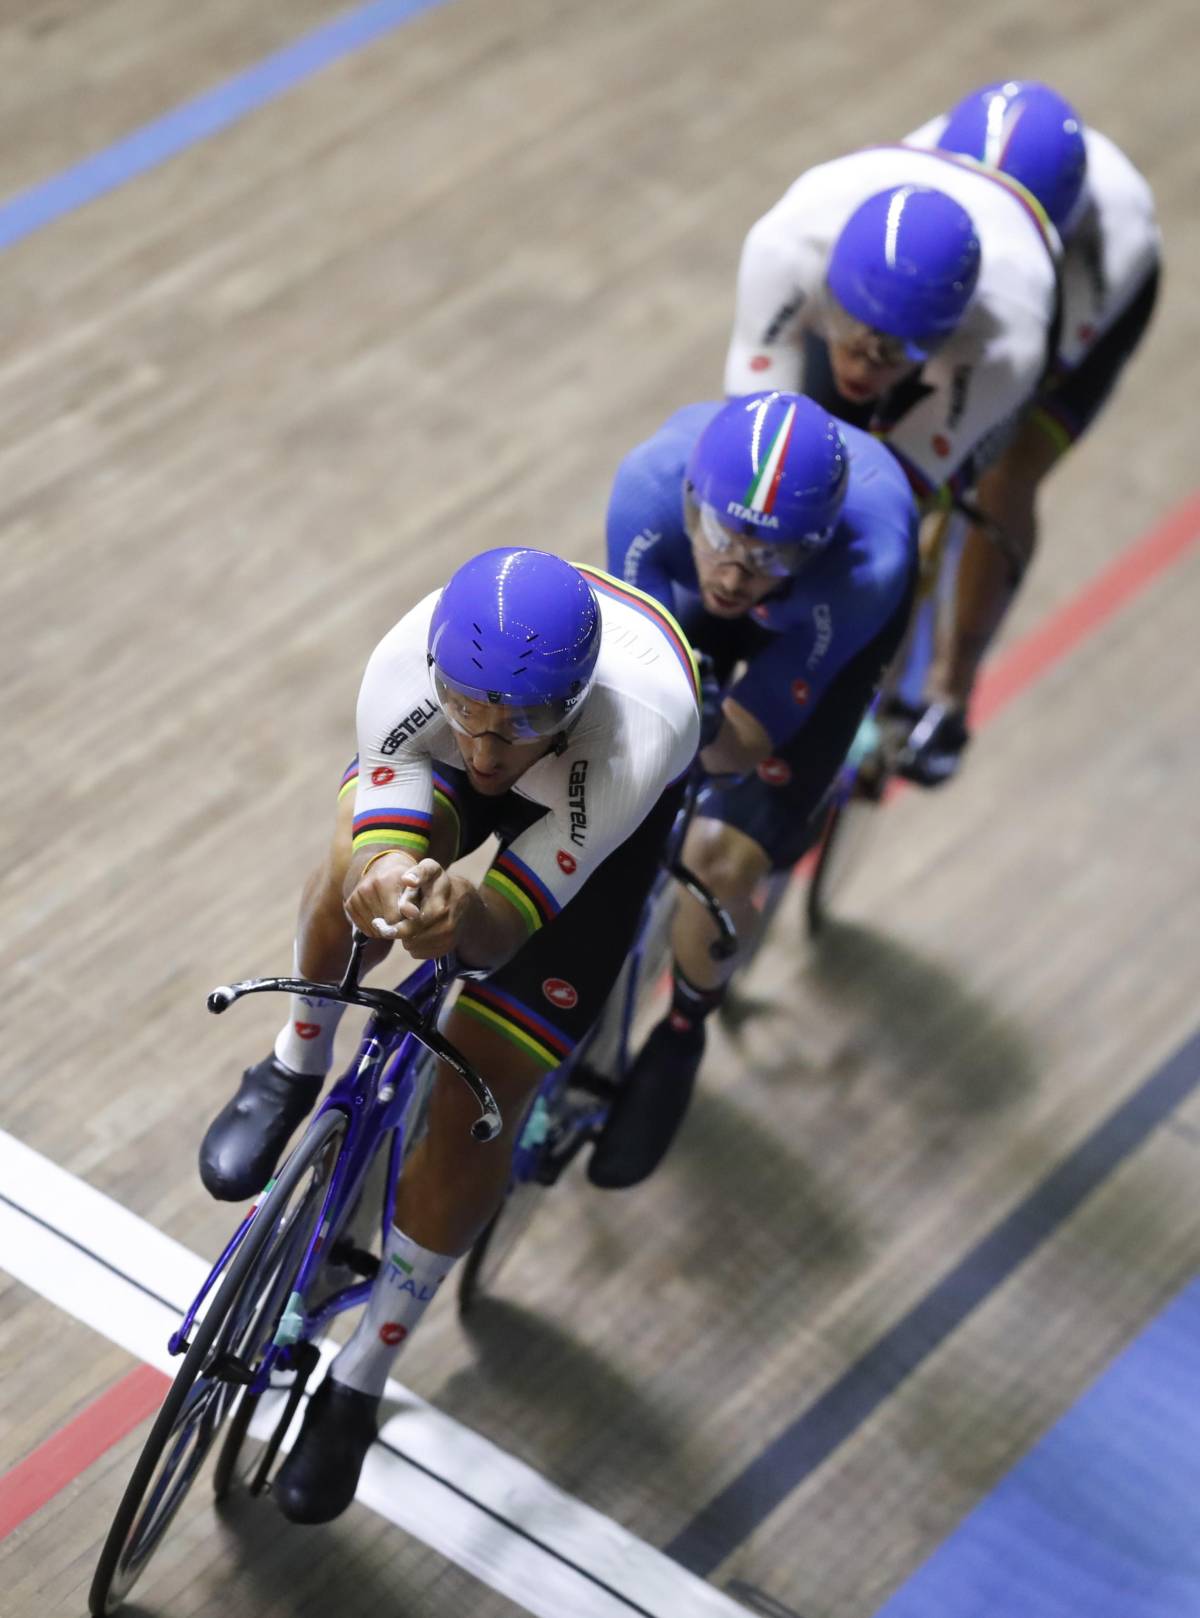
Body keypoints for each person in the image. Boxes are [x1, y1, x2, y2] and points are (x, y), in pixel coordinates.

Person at [198, 546, 700, 1522]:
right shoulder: (409, 671)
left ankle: (362, 1379)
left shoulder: (630, 735)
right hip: (489, 744)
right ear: (440, 672)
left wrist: (456, 918)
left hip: (596, 810)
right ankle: (295, 1063)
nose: (484, 742)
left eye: (514, 722)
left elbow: (501, 930)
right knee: (351, 873)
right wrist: (391, 881)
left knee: (487, 1086)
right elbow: (388, 825)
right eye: (466, 705)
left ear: (568, 702)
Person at [587, 390, 918, 1189]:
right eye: (725, 538)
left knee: (723, 856)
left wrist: (710, 735)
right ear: (691, 501)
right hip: (705, 589)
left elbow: (739, 746)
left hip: (815, 629)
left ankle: (684, 1028)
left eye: (768, 553)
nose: (736, 570)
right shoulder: (647, 493)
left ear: (812, 545)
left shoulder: (860, 570)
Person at [722, 139, 1063, 783]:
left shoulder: (1007, 341)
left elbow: (893, 494)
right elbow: (754, 444)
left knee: (889, 524)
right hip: (864, 276)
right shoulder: (786, 248)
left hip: (984, 338)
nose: (862, 367)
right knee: (764, 474)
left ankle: (900, 688)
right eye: (852, 342)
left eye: (889, 356)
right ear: (829, 296)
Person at [892, 81, 1161, 783]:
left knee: (1003, 472)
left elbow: (1004, 386)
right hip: (949, 270)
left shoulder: (1111, 243)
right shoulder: (912, 170)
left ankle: (953, 686)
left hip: (1066, 326)